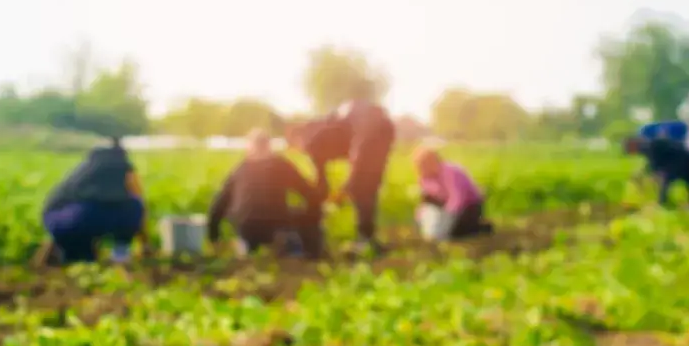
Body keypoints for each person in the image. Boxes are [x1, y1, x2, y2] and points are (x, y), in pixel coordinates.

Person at [284, 97, 396, 251]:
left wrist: (316, 203)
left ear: (296, 137)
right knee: (368, 188)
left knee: (359, 188)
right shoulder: (319, 128)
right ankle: (369, 239)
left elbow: (323, 184)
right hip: (385, 127)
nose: (300, 150)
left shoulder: (310, 141)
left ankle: (366, 240)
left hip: (369, 129)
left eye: (294, 146)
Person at [208, 128, 324, 258]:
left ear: (249, 148)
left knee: (238, 212)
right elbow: (310, 194)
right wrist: (315, 213)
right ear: (269, 146)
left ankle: (248, 245)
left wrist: (214, 237)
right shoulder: (280, 164)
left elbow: (218, 206)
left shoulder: (240, 169)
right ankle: (311, 252)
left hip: (246, 229)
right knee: (304, 215)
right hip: (276, 227)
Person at [37, 137, 151, 265]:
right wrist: (145, 244)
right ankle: (120, 255)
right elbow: (138, 201)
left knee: (83, 260)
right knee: (133, 205)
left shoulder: (85, 170)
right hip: (81, 218)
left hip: (57, 220)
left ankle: (69, 258)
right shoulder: (123, 168)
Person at [412, 143, 493, 239]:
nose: (420, 169)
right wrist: (421, 215)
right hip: (447, 206)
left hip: (469, 206)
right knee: (441, 229)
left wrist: (446, 219)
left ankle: (479, 227)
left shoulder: (450, 172)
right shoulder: (425, 178)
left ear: (432, 162)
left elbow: (457, 199)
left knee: (454, 233)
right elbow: (427, 199)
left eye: (422, 165)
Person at [625, 125, 689, 207]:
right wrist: (645, 172)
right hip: (687, 156)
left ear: (632, 146)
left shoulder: (646, 146)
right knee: (688, 181)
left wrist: (651, 174)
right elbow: (653, 162)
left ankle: (662, 202)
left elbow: (654, 163)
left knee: (666, 179)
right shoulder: (647, 144)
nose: (631, 153)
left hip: (680, 158)